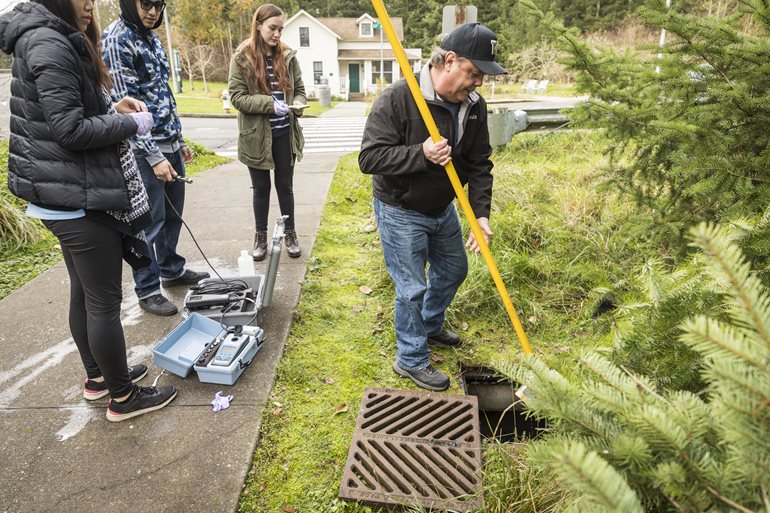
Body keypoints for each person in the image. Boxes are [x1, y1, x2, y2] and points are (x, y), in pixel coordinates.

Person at [0, 0, 177, 421]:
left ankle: (99, 377)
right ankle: (123, 398)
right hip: (76, 198)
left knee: (84, 293)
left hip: (64, 193)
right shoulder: (49, 41)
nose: (89, 6)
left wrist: (112, 110)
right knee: (102, 302)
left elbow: (65, 113)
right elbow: (70, 130)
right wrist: (131, 125)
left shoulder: (44, 36)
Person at [359, 23, 506, 391]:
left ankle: (429, 323)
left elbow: (479, 163)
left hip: (443, 209)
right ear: (450, 61)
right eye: (474, 74)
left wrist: (480, 214)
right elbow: (369, 158)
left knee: (454, 270)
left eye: (482, 77)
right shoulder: (398, 98)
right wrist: (420, 153)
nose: (478, 84)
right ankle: (410, 358)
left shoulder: (473, 107)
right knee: (411, 287)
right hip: (400, 209)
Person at [102, 0, 209, 317]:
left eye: (158, 5)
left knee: (173, 216)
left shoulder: (152, 37)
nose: (152, 11)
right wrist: (153, 156)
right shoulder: (116, 39)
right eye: (145, 3)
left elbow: (163, 94)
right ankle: (148, 289)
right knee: (148, 223)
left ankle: (171, 270)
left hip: (169, 142)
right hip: (142, 149)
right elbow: (128, 110)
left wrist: (179, 139)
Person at [228, 3, 306, 262]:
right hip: (256, 137)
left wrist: (298, 104)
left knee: (286, 187)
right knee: (260, 189)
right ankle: (260, 236)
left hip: (285, 134)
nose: (277, 34)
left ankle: (291, 234)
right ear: (258, 25)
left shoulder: (288, 56)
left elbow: (300, 89)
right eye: (272, 28)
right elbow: (237, 98)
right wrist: (270, 104)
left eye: (280, 29)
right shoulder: (242, 57)